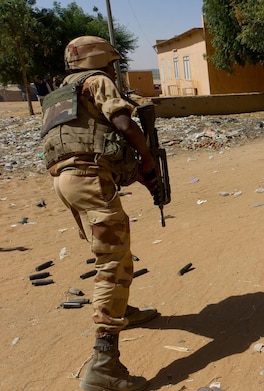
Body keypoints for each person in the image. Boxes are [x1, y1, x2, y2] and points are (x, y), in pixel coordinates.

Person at [40, 36, 160, 391]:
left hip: (67, 181)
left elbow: (89, 143)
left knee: (113, 256)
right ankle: (104, 363)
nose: (114, 70)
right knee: (113, 263)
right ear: (102, 61)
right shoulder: (98, 81)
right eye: (112, 64)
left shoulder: (60, 94)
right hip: (89, 179)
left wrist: (138, 174)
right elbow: (122, 124)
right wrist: (148, 157)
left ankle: (121, 311)